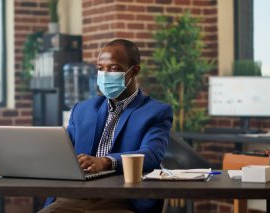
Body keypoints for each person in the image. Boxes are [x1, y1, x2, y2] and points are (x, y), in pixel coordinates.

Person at [39, 39, 173, 213]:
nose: (105, 74)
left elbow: (152, 154)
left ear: (134, 71)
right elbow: (64, 152)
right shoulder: (82, 110)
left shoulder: (156, 111)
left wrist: (106, 161)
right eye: (101, 68)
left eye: (114, 68)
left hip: (120, 201)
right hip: (71, 198)